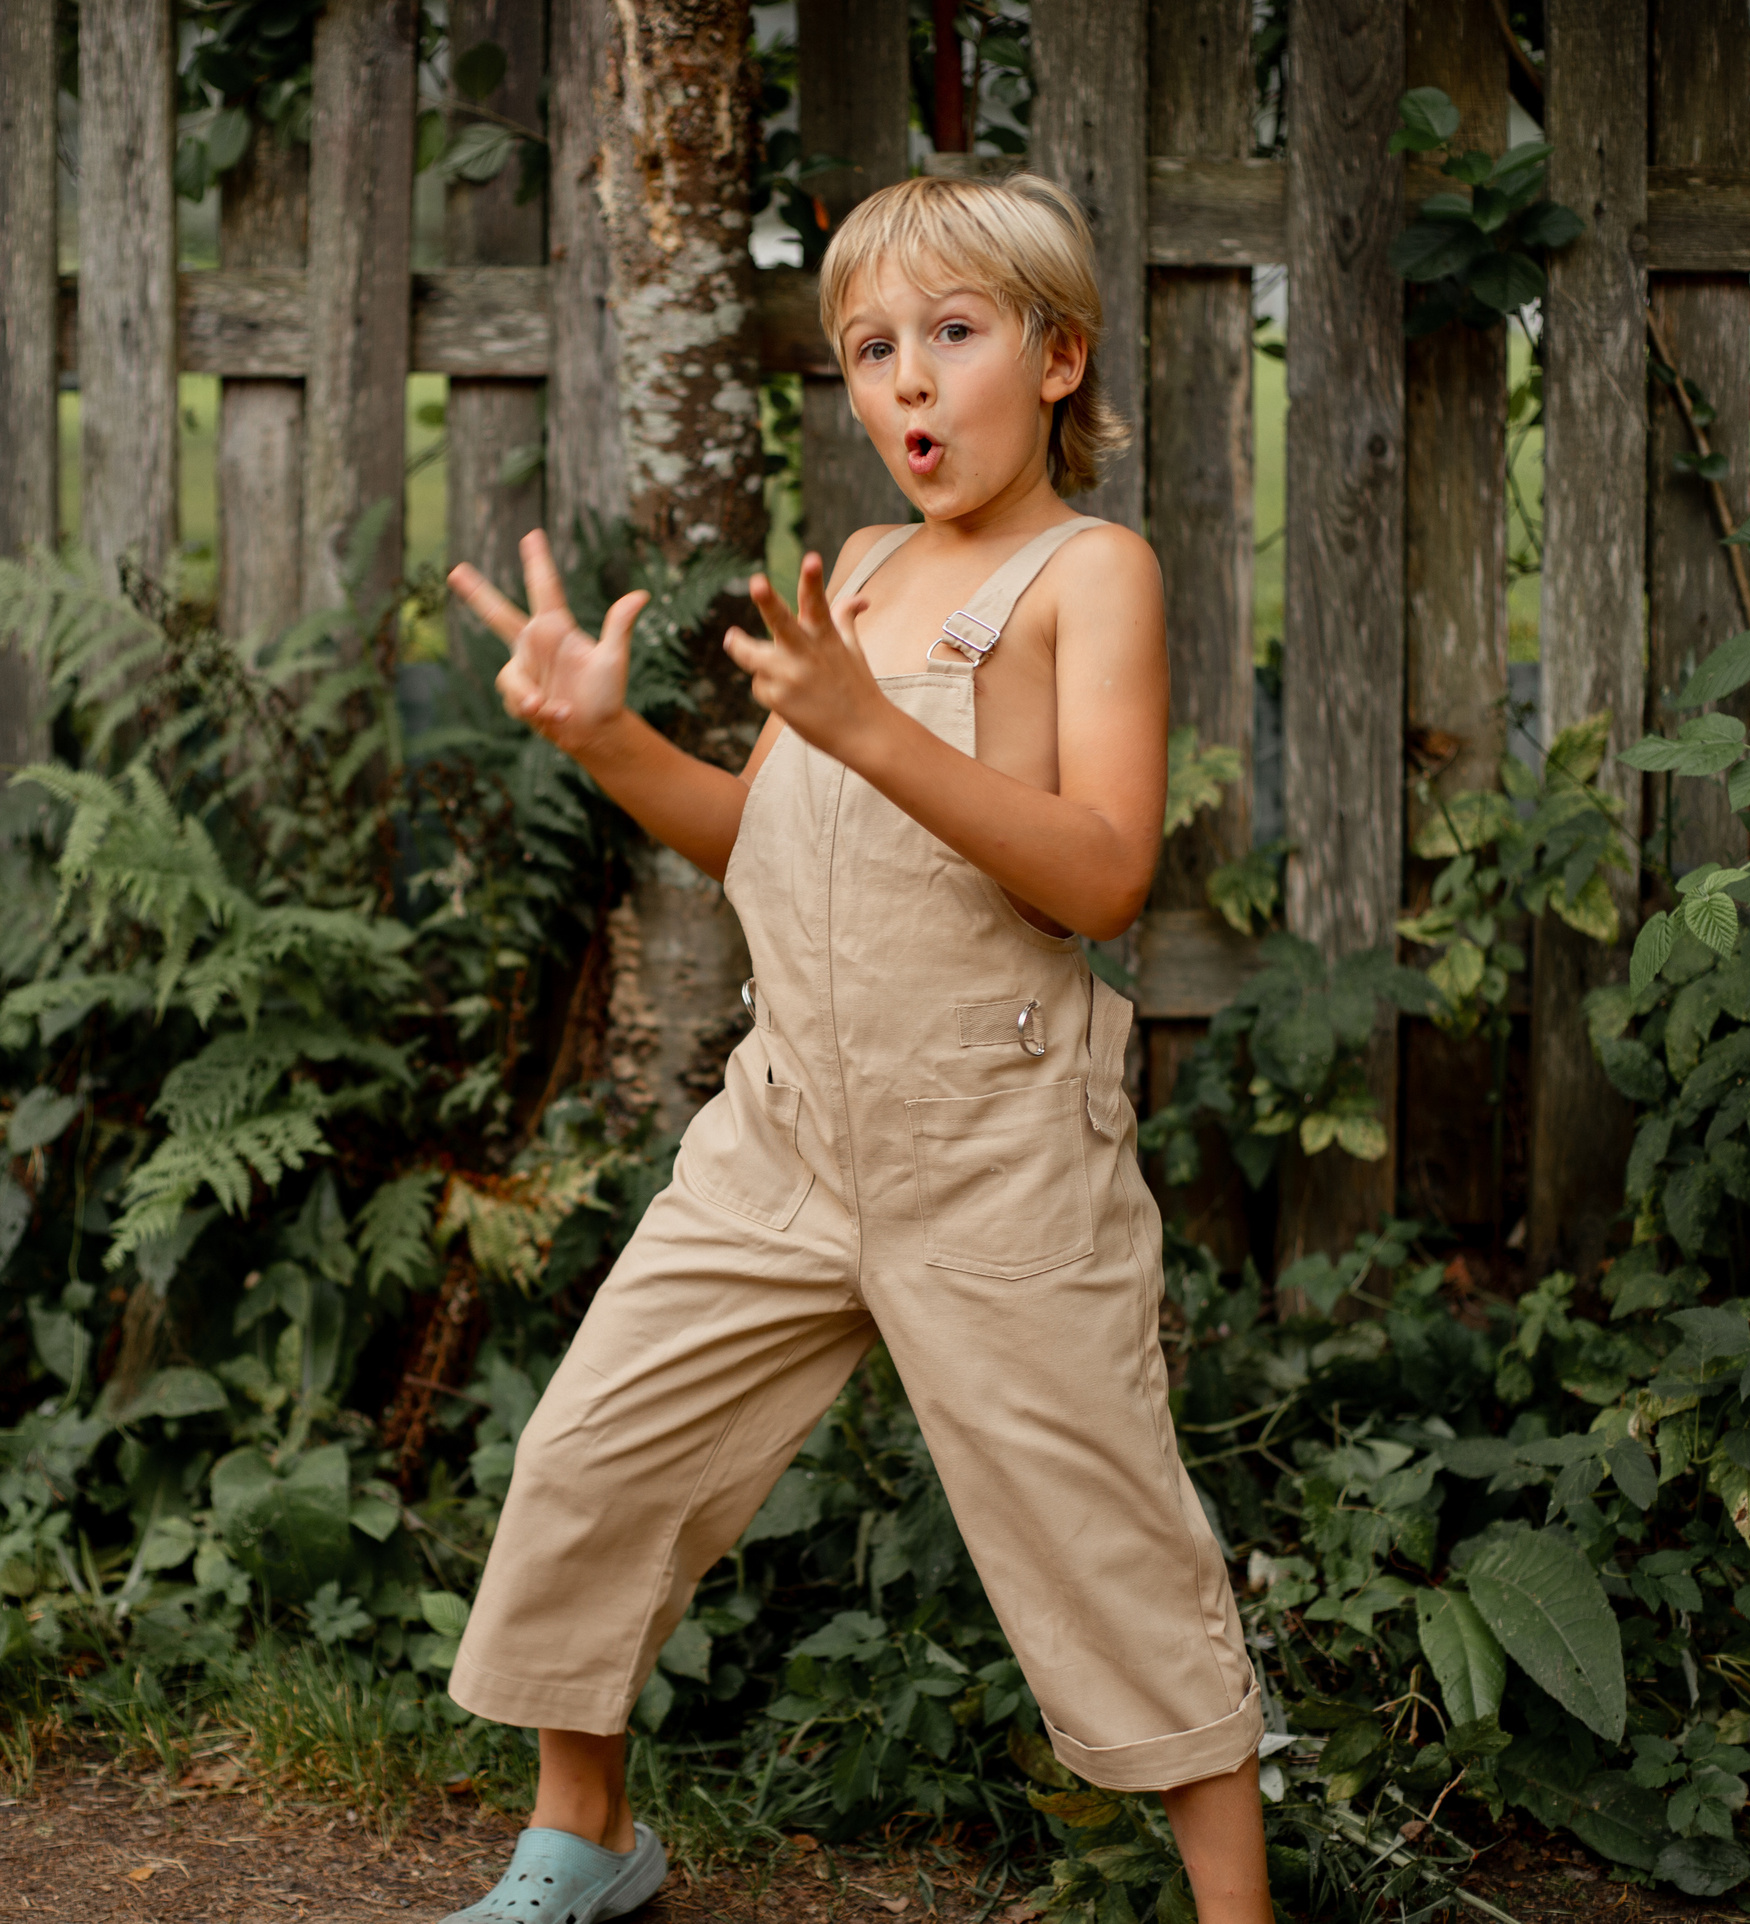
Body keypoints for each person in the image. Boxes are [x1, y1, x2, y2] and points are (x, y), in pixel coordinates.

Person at [435, 172, 1272, 1924]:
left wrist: (877, 732)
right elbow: (772, 844)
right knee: (597, 1455)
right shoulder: (871, 571)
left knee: (1104, 1540)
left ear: (1058, 357)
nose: (906, 383)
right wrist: (607, 739)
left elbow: (1106, 876)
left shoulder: (1086, 574)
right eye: (871, 349)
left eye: (952, 337)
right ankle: (582, 1838)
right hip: (790, 1133)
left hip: (996, 1152)